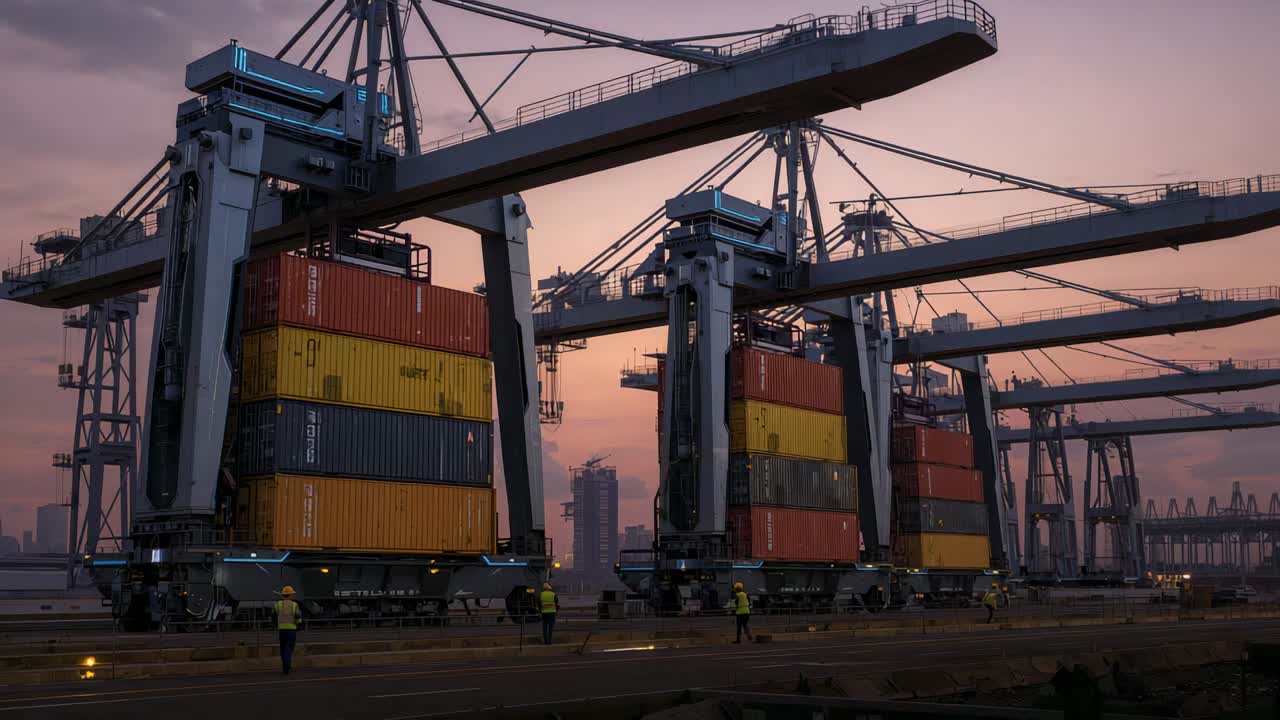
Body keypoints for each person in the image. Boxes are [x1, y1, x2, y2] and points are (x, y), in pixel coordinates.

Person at [274, 585, 301, 674]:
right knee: (289, 648)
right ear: (290, 595)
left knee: (282, 648)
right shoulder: (294, 605)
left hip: (281, 630)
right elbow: (298, 616)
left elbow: (273, 615)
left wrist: (276, 625)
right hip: (291, 630)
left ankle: (284, 666)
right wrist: (298, 625)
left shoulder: (278, 604)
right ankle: (287, 664)